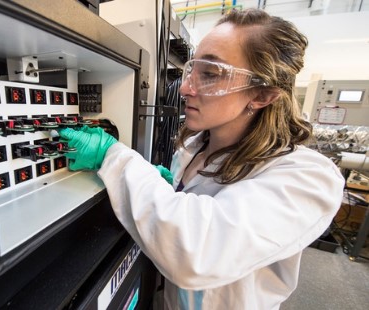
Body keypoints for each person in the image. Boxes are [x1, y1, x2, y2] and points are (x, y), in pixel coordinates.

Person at [58, 8, 345, 310]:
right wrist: (163, 188)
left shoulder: (308, 177)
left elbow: (196, 252)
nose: (184, 88)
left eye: (210, 74)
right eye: (192, 70)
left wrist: (112, 156)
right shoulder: (193, 147)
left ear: (261, 95)